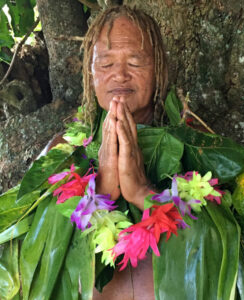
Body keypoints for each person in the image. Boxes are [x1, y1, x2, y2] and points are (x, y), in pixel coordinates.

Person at [80, 5, 169, 300]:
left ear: (158, 68)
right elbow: (40, 260)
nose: (120, 75)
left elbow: (217, 251)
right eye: (105, 64)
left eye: (134, 62)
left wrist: (143, 193)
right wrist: (101, 190)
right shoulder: (63, 154)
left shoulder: (199, 149)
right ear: (90, 73)